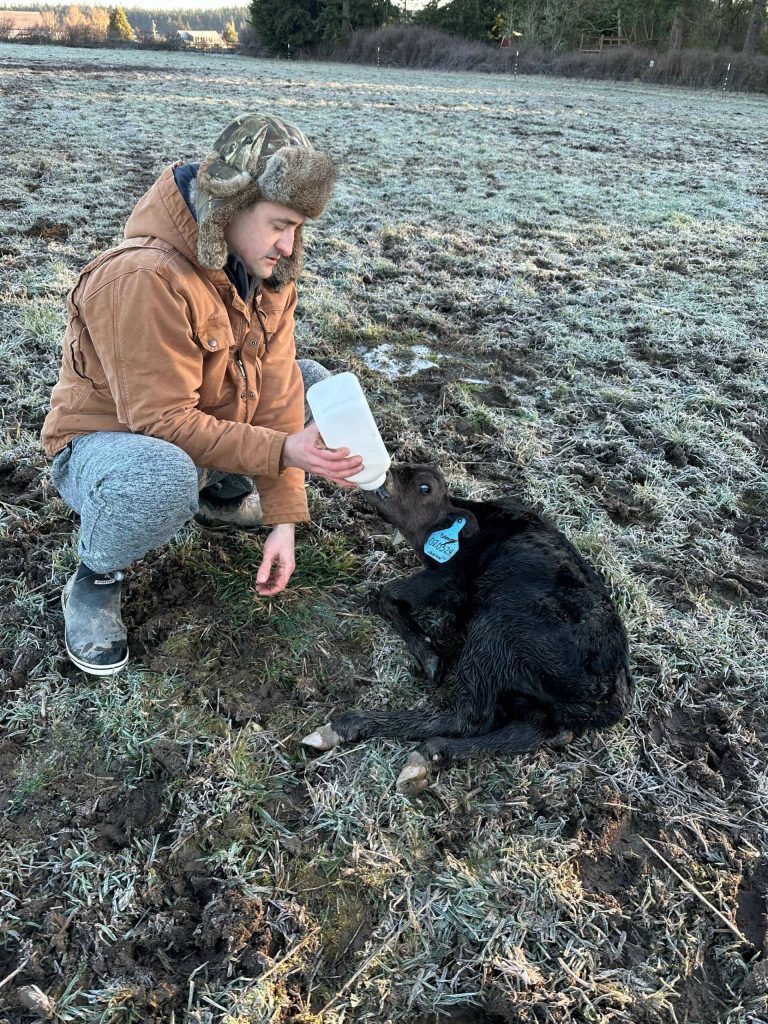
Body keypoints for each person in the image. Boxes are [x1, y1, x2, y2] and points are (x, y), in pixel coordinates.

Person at [41, 113, 364, 677]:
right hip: (114, 448)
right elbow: (162, 423)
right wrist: (285, 452)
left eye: (298, 229)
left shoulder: (264, 270)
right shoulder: (145, 277)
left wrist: (282, 520)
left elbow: (279, 388)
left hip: (195, 437)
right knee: (163, 476)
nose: (289, 247)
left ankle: (221, 498)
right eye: (280, 224)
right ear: (231, 204)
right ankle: (95, 575)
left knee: (312, 384)